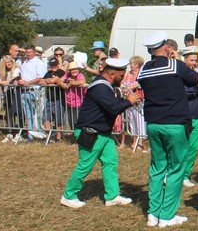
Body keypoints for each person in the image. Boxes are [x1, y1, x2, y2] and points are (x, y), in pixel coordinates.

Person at [138, 31, 198, 228]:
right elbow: (194, 78)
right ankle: (167, 215)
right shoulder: (175, 65)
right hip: (175, 122)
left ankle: (153, 213)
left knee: (157, 167)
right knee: (176, 168)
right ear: (166, 46)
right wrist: (177, 58)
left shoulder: (144, 69)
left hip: (153, 123)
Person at [60, 58, 140, 208]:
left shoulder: (106, 86)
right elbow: (113, 108)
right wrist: (129, 101)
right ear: (112, 74)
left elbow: (113, 105)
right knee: (85, 165)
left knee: (110, 161)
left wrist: (124, 99)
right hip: (90, 132)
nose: (122, 79)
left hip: (103, 133)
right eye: (121, 76)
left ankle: (112, 196)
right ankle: (68, 195)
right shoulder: (100, 88)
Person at [179, 47, 198, 188]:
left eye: (196, 60)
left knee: (194, 147)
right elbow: (183, 93)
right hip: (183, 116)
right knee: (181, 147)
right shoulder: (180, 75)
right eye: (191, 60)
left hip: (196, 115)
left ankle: (186, 174)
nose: (194, 63)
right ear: (184, 60)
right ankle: (177, 174)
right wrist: (196, 83)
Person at [18, 45, 47, 140]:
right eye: (27, 52)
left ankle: (40, 134)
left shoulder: (38, 62)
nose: (29, 54)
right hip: (24, 91)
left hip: (35, 90)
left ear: (34, 52)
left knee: (36, 115)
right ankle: (31, 135)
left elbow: (40, 77)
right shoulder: (25, 62)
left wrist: (28, 83)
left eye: (30, 52)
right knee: (28, 115)